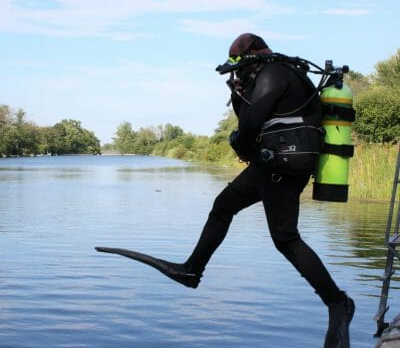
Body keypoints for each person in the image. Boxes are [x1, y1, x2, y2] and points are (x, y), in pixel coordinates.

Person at [97, 33, 355, 347]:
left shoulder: (272, 72)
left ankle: (338, 303)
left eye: (237, 62)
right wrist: (239, 95)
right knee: (224, 206)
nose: (237, 70)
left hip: (280, 164)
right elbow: (252, 118)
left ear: (254, 53)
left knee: (285, 237)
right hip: (280, 162)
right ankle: (192, 270)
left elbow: (248, 126)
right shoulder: (286, 71)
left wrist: (241, 137)